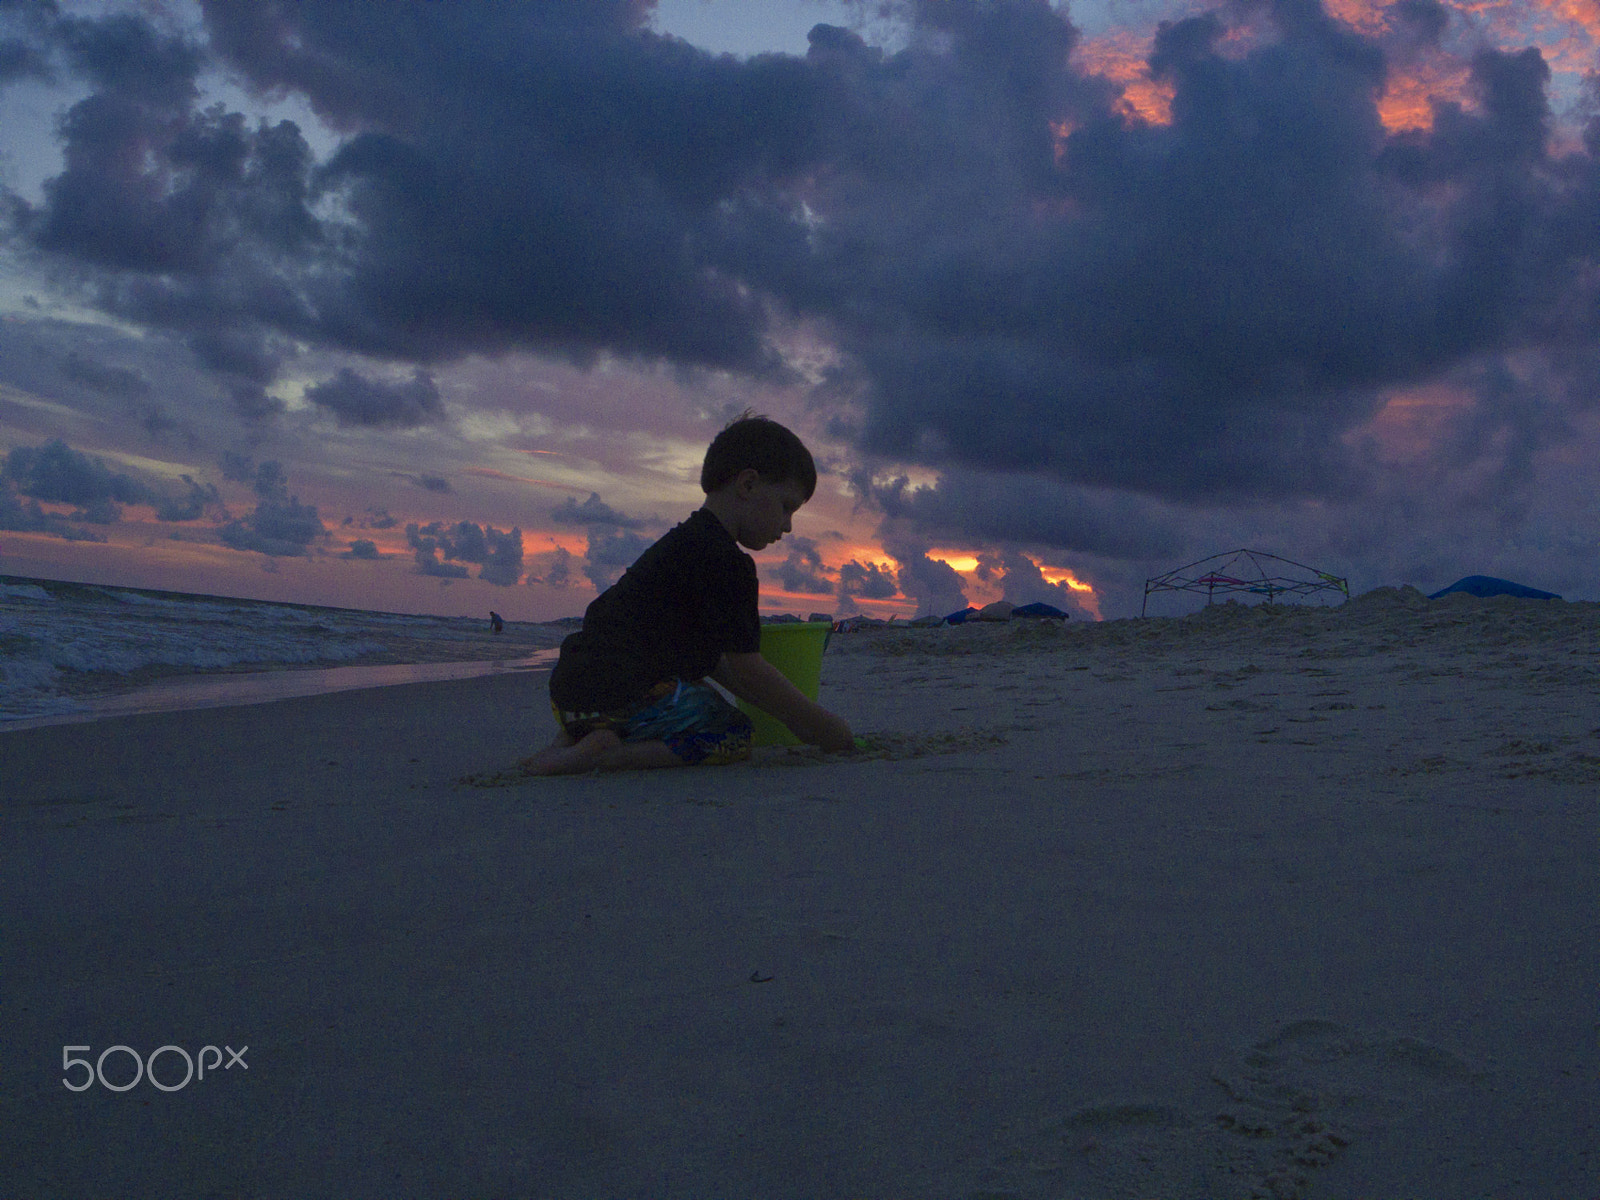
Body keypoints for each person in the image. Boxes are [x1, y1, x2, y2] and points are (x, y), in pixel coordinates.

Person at [522, 414, 855, 775]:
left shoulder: (680, 545)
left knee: (691, 690)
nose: (788, 526)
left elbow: (716, 664)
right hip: (626, 695)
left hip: (568, 699)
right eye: (786, 507)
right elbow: (748, 672)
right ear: (748, 484)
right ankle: (609, 754)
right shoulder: (727, 563)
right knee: (734, 733)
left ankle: (580, 737)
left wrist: (792, 715)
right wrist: (823, 726)